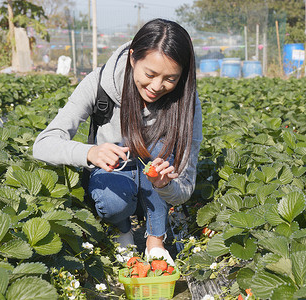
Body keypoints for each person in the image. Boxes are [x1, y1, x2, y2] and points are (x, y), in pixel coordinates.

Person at [33, 19, 202, 265]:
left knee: (158, 148)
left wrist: (164, 185)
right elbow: (43, 143)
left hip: (155, 190)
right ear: (133, 58)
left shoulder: (186, 102)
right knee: (113, 204)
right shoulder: (99, 83)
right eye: (150, 74)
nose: (156, 86)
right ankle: (121, 229)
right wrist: (90, 153)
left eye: (170, 78)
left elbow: (184, 188)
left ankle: (156, 240)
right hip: (114, 178)